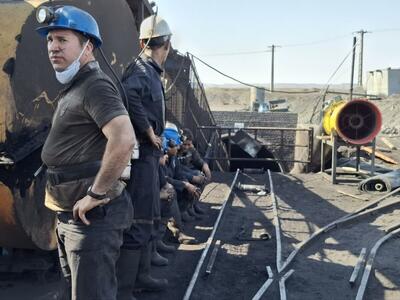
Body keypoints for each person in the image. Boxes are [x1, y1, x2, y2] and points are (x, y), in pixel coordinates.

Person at [36, 5, 136, 300]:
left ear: (87, 46)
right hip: (71, 215)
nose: (53, 47)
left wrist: (95, 193)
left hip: (94, 220)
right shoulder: (75, 86)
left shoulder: (95, 85)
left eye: (62, 40)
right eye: (50, 40)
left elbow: (124, 139)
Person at [117, 14, 172, 297]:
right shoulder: (140, 71)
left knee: (149, 212)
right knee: (139, 218)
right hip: (141, 156)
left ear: (142, 41)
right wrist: (148, 130)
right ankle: (127, 288)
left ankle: (143, 272)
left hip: (151, 154)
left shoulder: (149, 70)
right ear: (169, 44)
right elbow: (130, 96)